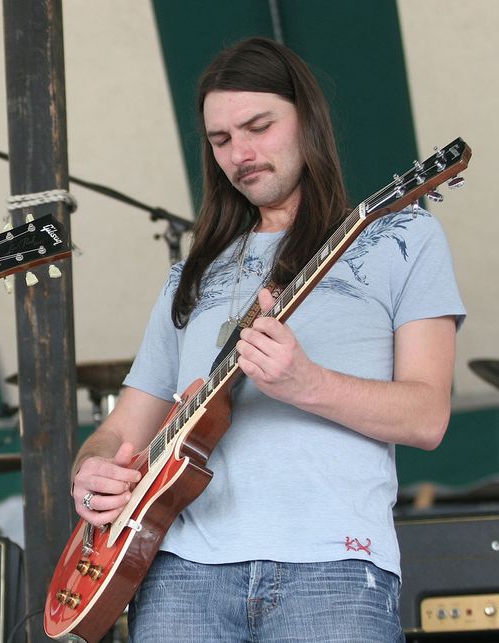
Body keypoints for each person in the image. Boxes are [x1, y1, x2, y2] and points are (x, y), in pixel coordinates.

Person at [69, 37, 463, 641]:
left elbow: (427, 417)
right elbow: (123, 428)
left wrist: (307, 383)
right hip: (180, 576)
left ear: (307, 120)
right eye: (221, 140)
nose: (241, 153)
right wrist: (93, 467)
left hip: (334, 568)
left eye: (258, 126)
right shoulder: (190, 274)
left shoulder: (402, 239)